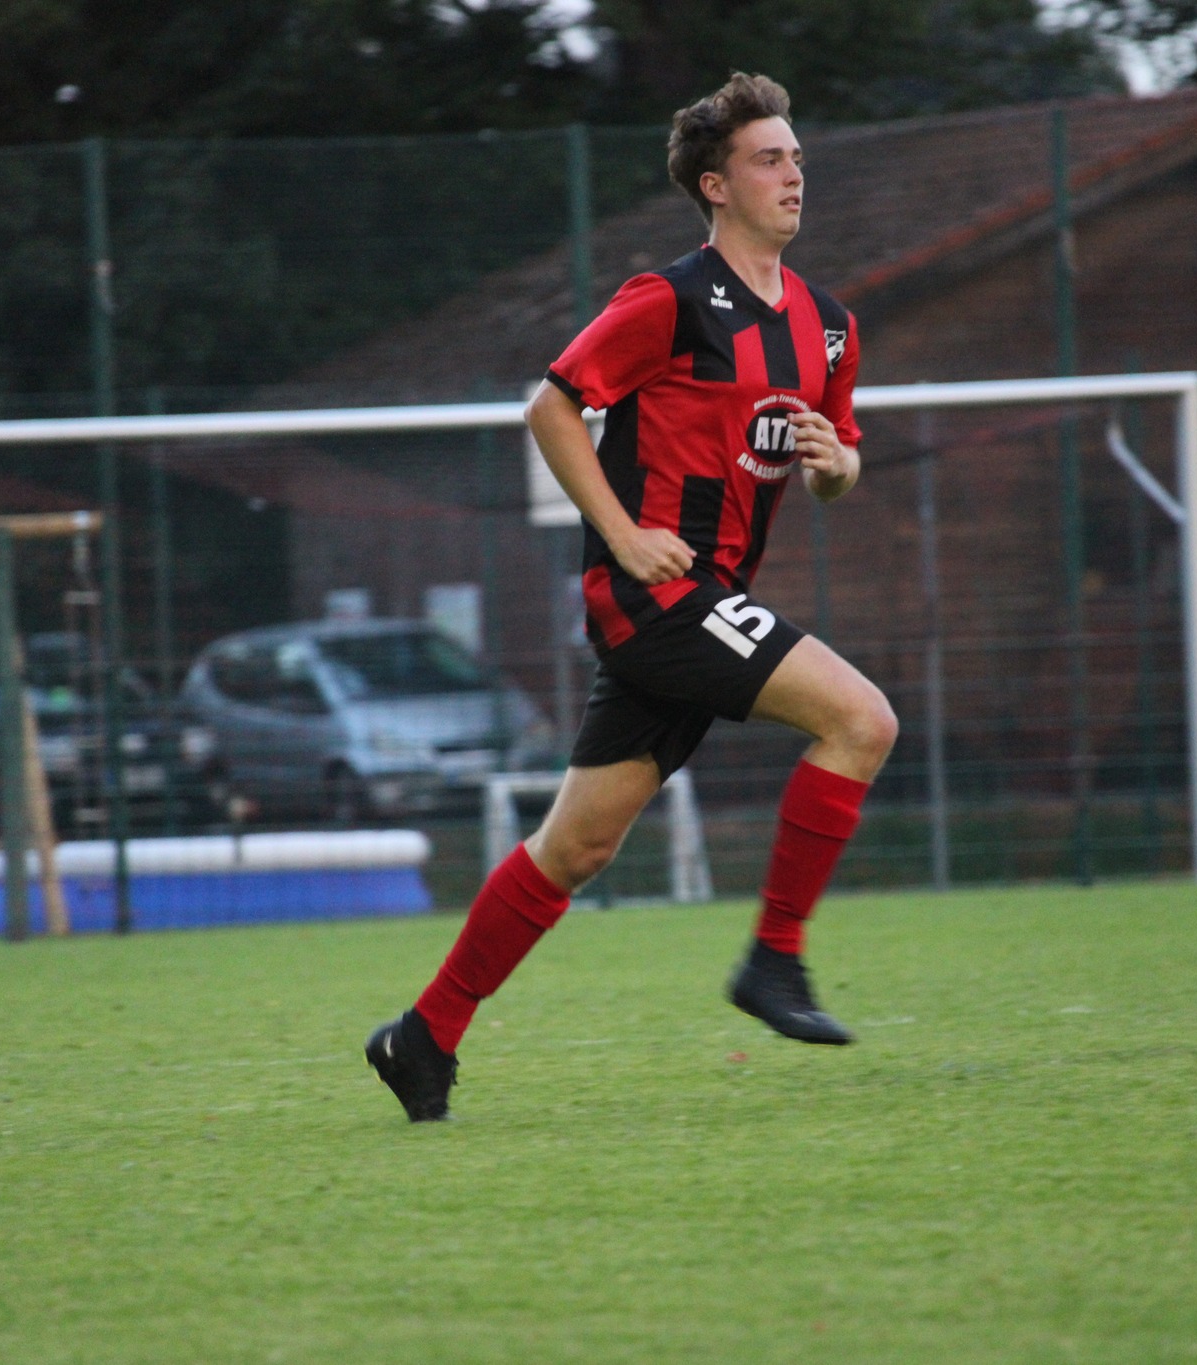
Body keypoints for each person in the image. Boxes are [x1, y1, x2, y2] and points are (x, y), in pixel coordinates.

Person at [366, 72, 898, 1122]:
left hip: (708, 599)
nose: (792, 172)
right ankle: (773, 963)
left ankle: (421, 1038)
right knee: (860, 718)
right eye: (767, 158)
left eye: (795, 155)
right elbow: (551, 410)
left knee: (577, 846)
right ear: (714, 185)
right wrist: (623, 534)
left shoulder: (828, 328)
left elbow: (836, 475)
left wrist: (833, 460)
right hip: (652, 595)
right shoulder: (667, 300)